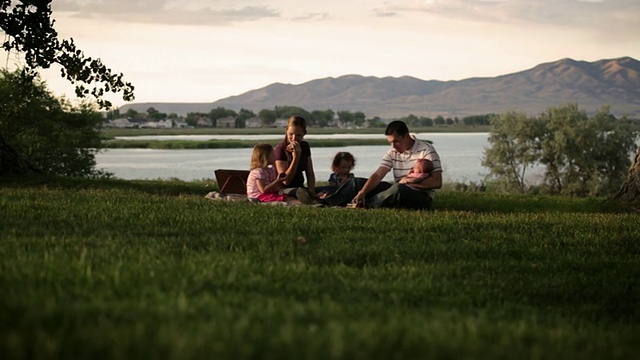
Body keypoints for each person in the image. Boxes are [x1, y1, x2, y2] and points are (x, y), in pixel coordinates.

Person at [297, 120, 442, 210]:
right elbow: (378, 175)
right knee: (357, 182)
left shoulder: (426, 149)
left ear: (406, 136)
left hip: (420, 197)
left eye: (396, 141)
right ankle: (324, 203)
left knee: (399, 188)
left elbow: (437, 182)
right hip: (398, 190)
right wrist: (362, 192)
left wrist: (408, 182)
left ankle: (359, 206)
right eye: (390, 142)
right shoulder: (392, 153)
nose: (394, 146)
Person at [274, 115, 316, 196]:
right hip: (284, 190)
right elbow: (285, 181)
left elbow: (309, 172)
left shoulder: (304, 146)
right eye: (291, 134)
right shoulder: (280, 149)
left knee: (329, 190)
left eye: (298, 135)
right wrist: (296, 157)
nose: (294, 138)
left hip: (300, 187)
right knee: (301, 193)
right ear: (286, 131)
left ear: (304, 133)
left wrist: (312, 190)